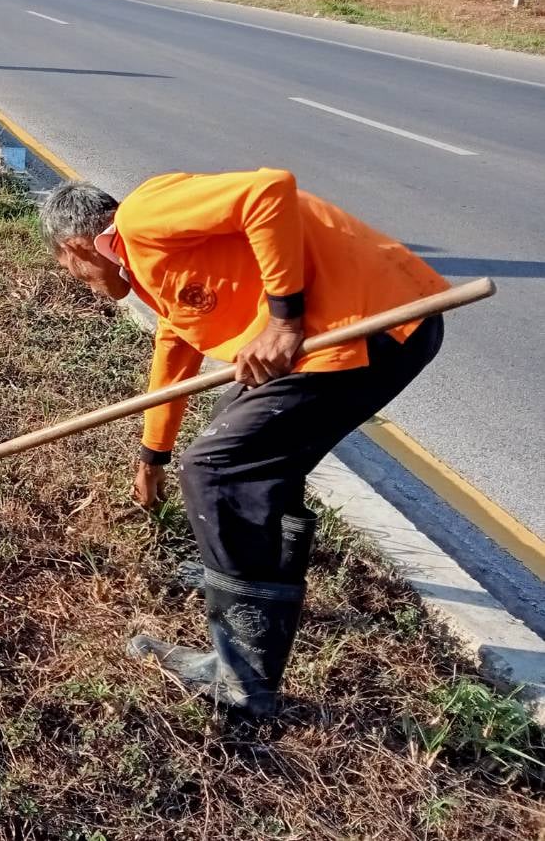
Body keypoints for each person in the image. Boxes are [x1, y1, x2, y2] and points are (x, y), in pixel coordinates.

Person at [39, 169, 450, 717]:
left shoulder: (141, 218)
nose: (83, 283)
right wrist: (152, 455)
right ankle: (243, 575)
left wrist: (282, 323)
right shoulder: (148, 267)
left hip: (371, 325)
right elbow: (175, 353)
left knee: (216, 468)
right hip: (358, 331)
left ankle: (242, 673)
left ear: (75, 247)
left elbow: (268, 191)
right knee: (240, 442)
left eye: (72, 271)